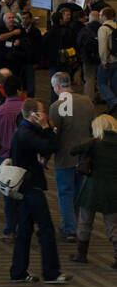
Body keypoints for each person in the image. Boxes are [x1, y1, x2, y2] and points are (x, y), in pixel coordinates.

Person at [8, 99, 68, 284]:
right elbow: (50, 146)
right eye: (42, 112)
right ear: (33, 114)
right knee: (46, 228)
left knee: (25, 230)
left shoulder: (24, 130)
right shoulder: (26, 133)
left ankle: (18, 271)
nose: (45, 116)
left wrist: (45, 128)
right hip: (31, 187)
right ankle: (51, 273)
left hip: (25, 187)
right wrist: (46, 127)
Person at [48, 72, 95, 243]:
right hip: (84, 157)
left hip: (65, 157)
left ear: (58, 86)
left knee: (65, 193)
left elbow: (53, 135)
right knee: (79, 193)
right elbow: (94, 128)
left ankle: (69, 229)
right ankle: (76, 225)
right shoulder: (87, 102)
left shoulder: (56, 106)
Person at [69, 113, 117, 265]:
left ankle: (81, 255)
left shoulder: (95, 143)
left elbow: (73, 150)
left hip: (92, 189)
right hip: (113, 190)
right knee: (112, 226)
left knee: (85, 222)